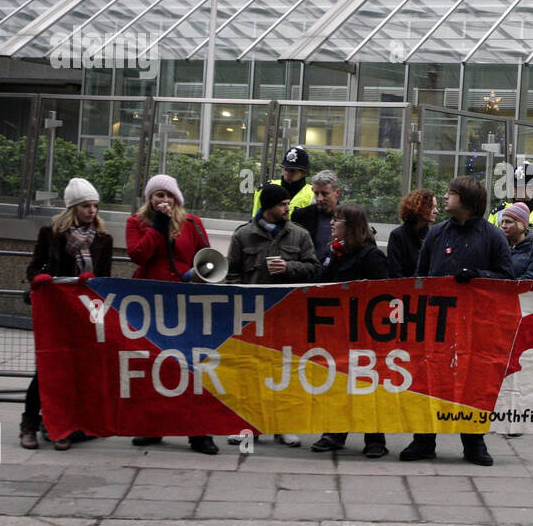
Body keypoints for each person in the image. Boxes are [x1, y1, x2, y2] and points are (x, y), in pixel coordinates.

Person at [401, 176, 513, 466]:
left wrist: (478, 276)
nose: (445, 197)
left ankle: (474, 442)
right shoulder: (436, 234)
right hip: (437, 324)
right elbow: (421, 275)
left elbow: (507, 278)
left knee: (474, 382)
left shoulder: (492, 236)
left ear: (467, 200)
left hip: (477, 325)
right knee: (430, 378)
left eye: (451, 193)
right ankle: (424, 440)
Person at [125, 174, 219, 455]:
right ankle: (153, 425)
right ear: (149, 200)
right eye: (158, 196)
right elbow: (138, 255)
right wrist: (159, 226)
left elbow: (207, 257)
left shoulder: (192, 223)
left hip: (185, 302)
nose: (163, 200)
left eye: (168, 195)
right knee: (154, 364)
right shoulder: (137, 223)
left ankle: (198, 431)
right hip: (151, 303)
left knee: (192, 365)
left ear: (176, 198)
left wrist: (201, 275)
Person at [21, 177, 112, 451]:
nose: (92, 211)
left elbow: (104, 277)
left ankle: (60, 424)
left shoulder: (103, 239)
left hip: (84, 313)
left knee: (77, 370)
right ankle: (29, 424)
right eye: (86, 206)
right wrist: (42, 279)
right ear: (73, 207)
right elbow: (34, 268)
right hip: (56, 311)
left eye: (95, 206)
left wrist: (93, 284)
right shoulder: (51, 234)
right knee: (47, 369)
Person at [226, 183, 320, 447]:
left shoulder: (299, 235)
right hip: (252, 317)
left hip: (287, 316)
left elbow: (314, 269)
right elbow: (231, 273)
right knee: (249, 372)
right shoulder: (243, 235)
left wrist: (289, 267)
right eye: (282, 205)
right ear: (268, 208)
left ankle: (283, 425)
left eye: (287, 204)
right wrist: (242, 300)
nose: (287, 208)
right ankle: (247, 425)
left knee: (284, 371)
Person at [310, 203, 391, 457]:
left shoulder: (370, 255)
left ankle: (375, 438)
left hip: (365, 332)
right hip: (338, 330)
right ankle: (335, 432)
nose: (333, 224)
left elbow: (383, 295)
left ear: (351, 226)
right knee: (338, 381)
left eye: (338, 220)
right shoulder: (334, 252)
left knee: (368, 384)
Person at [488, 163, 533, 276]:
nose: (518, 190)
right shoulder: (498, 213)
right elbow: (488, 247)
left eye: (523, 186)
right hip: (502, 279)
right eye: (515, 186)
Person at [292, 170, 341, 264]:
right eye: (316, 193)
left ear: (337, 192)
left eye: (325, 193)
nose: (320, 198)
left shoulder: (350, 218)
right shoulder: (301, 216)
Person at [387, 189, 438, 279]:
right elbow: (395, 272)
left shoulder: (433, 235)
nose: (436, 211)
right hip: (404, 289)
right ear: (419, 207)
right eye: (431, 207)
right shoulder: (398, 236)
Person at [251, 145, 315, 216]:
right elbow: (255, 219)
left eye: (292, 171)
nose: (287, 174)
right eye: (285, 169)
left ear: (304, 173)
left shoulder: (313, 194)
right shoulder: (267, 189)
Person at [498, 201, 533, 281]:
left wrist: (506, 284)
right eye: (502, 222)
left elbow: (531, 279)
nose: (503, 226)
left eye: (508, 222)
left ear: (521, 224)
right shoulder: (498, 246)